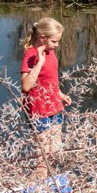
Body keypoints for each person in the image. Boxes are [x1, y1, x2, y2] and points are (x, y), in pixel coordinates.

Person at [21, 17, 71, 168]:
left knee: (55, 151)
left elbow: (50, 79)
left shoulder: (50, 52)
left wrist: (60, 94)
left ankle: (53, 186)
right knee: (43, 156)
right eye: (54, 41)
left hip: (54, 107)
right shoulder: (31, 55)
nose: (57, 45)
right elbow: (25, 86)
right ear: (42, 38)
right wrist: (39, 63)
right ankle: (39, 186)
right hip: (39, 110)